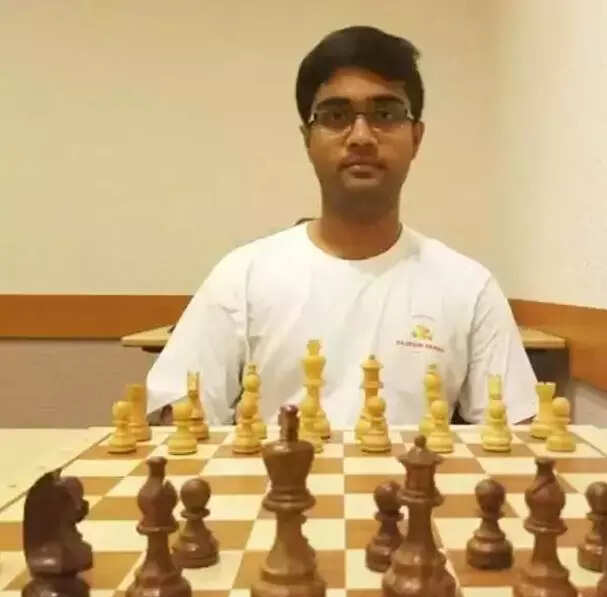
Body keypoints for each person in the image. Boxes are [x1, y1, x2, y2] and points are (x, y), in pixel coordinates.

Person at [146, 25, 537, 426]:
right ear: (307, 139)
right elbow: (177, 419)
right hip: (278, 470)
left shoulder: (469, 288)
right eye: (336, 116)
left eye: (385, 114)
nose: (361, 137)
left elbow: (516, 435)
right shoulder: (242, 277)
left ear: (416, 138)